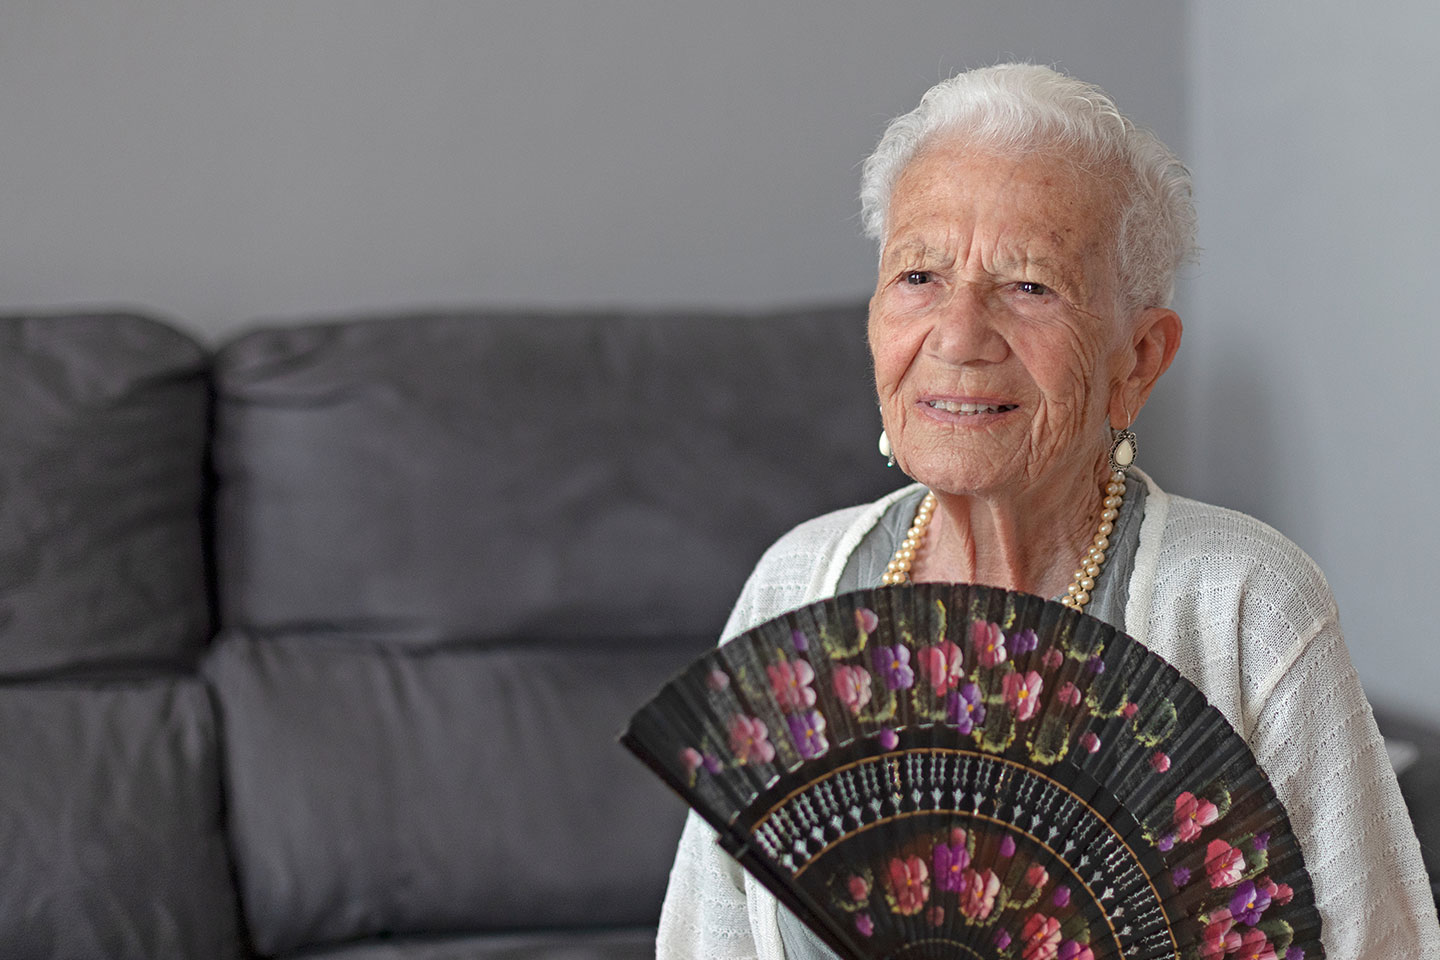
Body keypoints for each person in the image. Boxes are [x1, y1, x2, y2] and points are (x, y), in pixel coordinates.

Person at [656, 63, 1440, 959]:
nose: (956, 337)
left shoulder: (1245, 605)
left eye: (1030, 286)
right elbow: (705, 941)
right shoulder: (796, 586)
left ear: (1137, 360)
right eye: (918, 275)